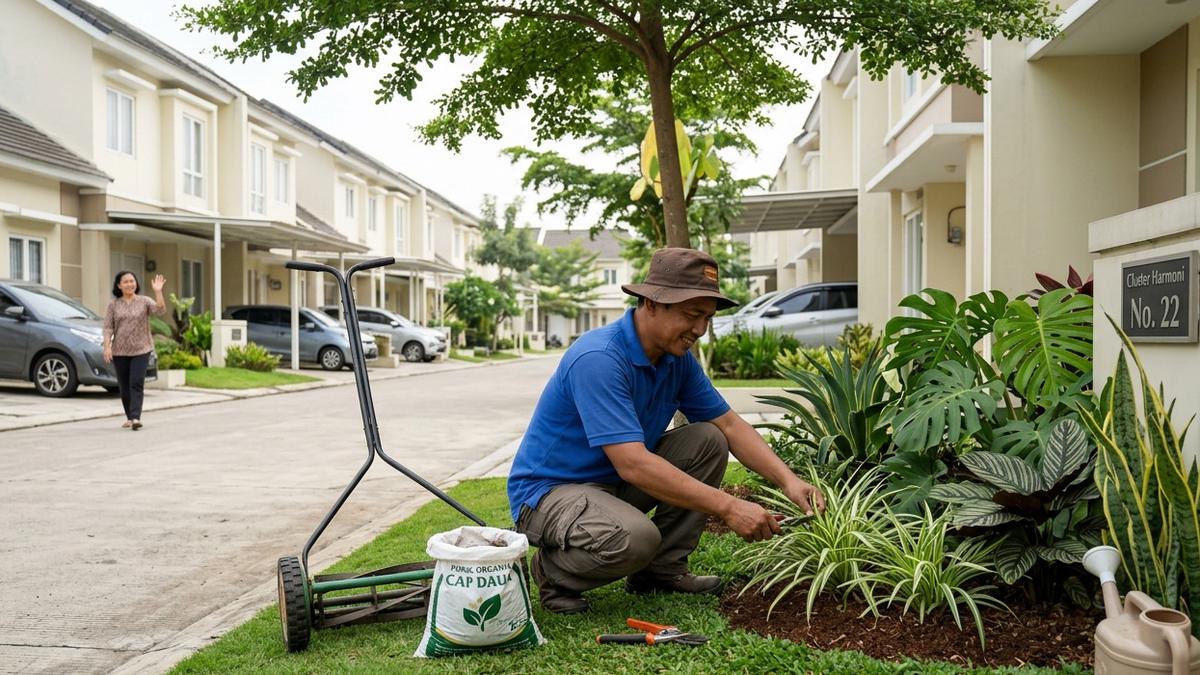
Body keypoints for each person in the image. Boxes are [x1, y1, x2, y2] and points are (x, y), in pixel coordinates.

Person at [507, 247, 826, 614]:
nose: (700, 330)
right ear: (652, 303)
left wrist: (789, 481)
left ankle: (660, 571)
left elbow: (729, 424)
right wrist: (729, 506)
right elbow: (634, 465)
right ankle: (552, 573)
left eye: (707, 318)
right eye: (693, 315)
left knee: (708, 439)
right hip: (549, 494)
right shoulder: (599, 359)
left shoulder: (675, 359)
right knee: (636, 538)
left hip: (611, 486)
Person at [103, 271, 167, 430]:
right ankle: (130, 417)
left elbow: (160, 310)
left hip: (141, 349)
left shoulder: (144, 301)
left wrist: (158, 292)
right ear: (119, 285)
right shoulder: (114, 304)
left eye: (132, 281)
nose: (130, 284)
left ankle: (136, 417)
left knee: (136, 382)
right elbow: (108, 327)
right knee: (124, 387)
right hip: (120, 351)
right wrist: (107, 347)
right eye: (126, 282)